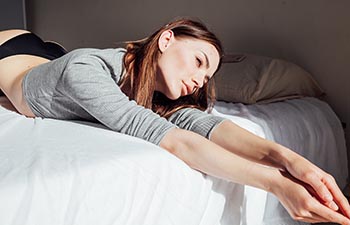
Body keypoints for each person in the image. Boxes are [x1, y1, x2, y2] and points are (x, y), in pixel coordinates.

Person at [0, 18, 349, 224]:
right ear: (166, 38)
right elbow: (175, 140)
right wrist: (275, 184)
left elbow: (205, 127)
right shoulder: (84, 70)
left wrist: (292, 161)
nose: (200, 80)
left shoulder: (156, 92)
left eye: (207, 75)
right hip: (10, 51)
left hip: (49, 58)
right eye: (198, 61)